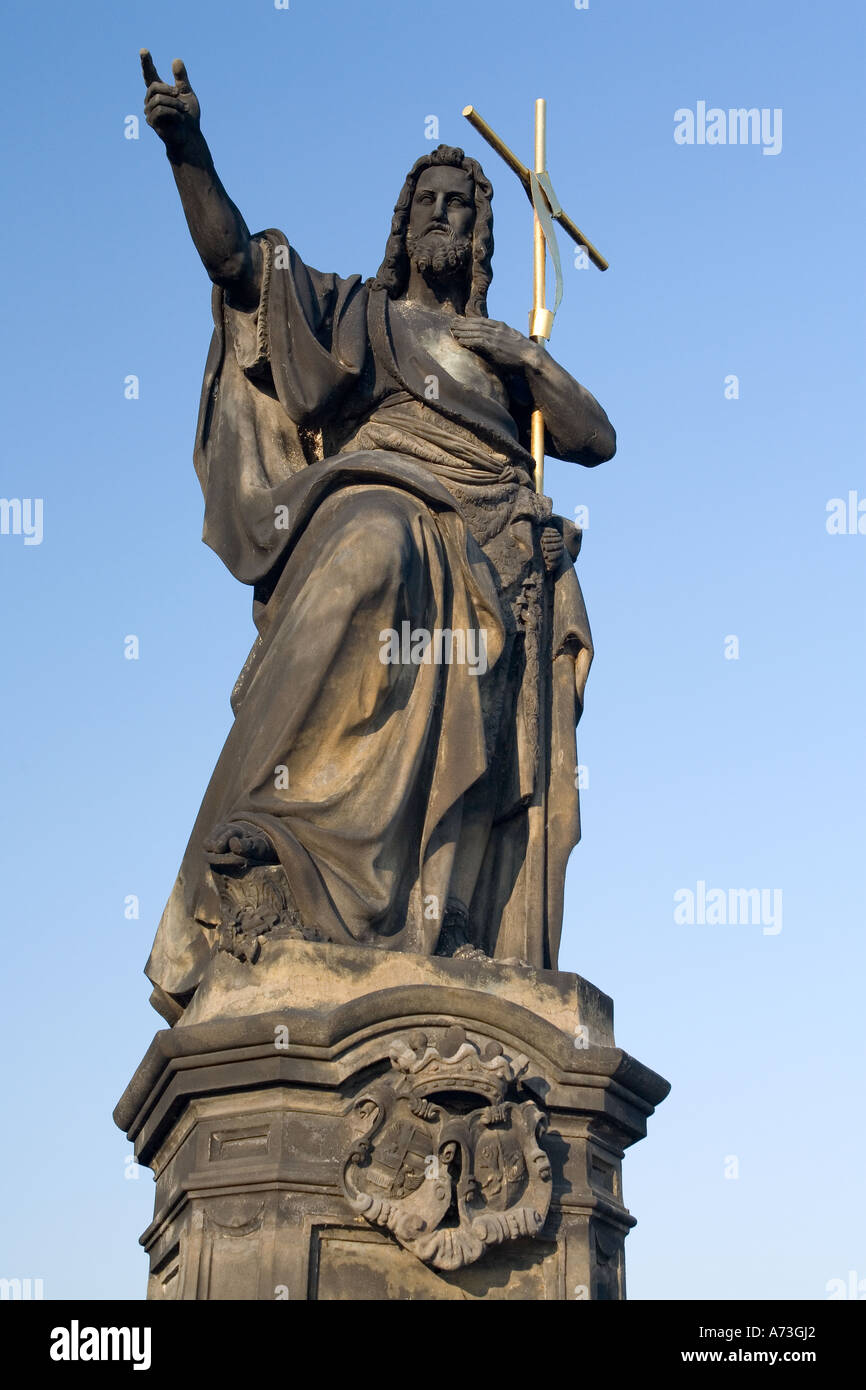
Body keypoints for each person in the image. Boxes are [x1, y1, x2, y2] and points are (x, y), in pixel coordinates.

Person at [138, 52, 616, 1024]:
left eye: (461, 208)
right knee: (370, 547)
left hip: (498, 548)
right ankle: (276, 840)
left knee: (459, 683)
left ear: (480, 235)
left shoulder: (501, 357)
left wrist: (525, 355)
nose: (444, 218)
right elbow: (238, 265)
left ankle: (431, 925)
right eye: (428, 204)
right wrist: (189, 149)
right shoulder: (363, 314)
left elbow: (594, 440)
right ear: (403, 224)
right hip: (388, 494)